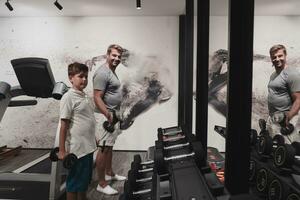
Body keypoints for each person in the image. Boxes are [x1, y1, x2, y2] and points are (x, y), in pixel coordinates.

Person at [58, 62, 97, 200]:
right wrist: (62, 151)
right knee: (74, 183)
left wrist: (94, 138)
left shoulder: (85, 96)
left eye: (86, 77)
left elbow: (88, 119)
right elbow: (63, 125)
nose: (84, 80)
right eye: (81, 76)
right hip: (77, 149)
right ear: (71, 78)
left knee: (84, 182)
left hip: (88, 146)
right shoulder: (68, 97)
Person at [93, 44, 126, 195]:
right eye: (114, 55)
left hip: (113, 115)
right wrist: (108, 114)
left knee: (110, 146)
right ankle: (101, 183)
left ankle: (109, 173)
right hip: (105, 116)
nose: (116, 59)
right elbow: (97, 97)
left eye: (119, 56)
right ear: (107, 54)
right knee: (104, 148)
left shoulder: (111, 71)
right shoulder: (102, 73)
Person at [266, 44, 300, 143]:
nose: (277, 59)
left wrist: (288, 118)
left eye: (280, 56)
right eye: (274, 57)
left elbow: (298, 99)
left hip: (285, 120)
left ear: (285, 56)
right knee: (273, 151)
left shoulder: (292, 74)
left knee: (286, 151)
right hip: (273, 118)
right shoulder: (274, 74)